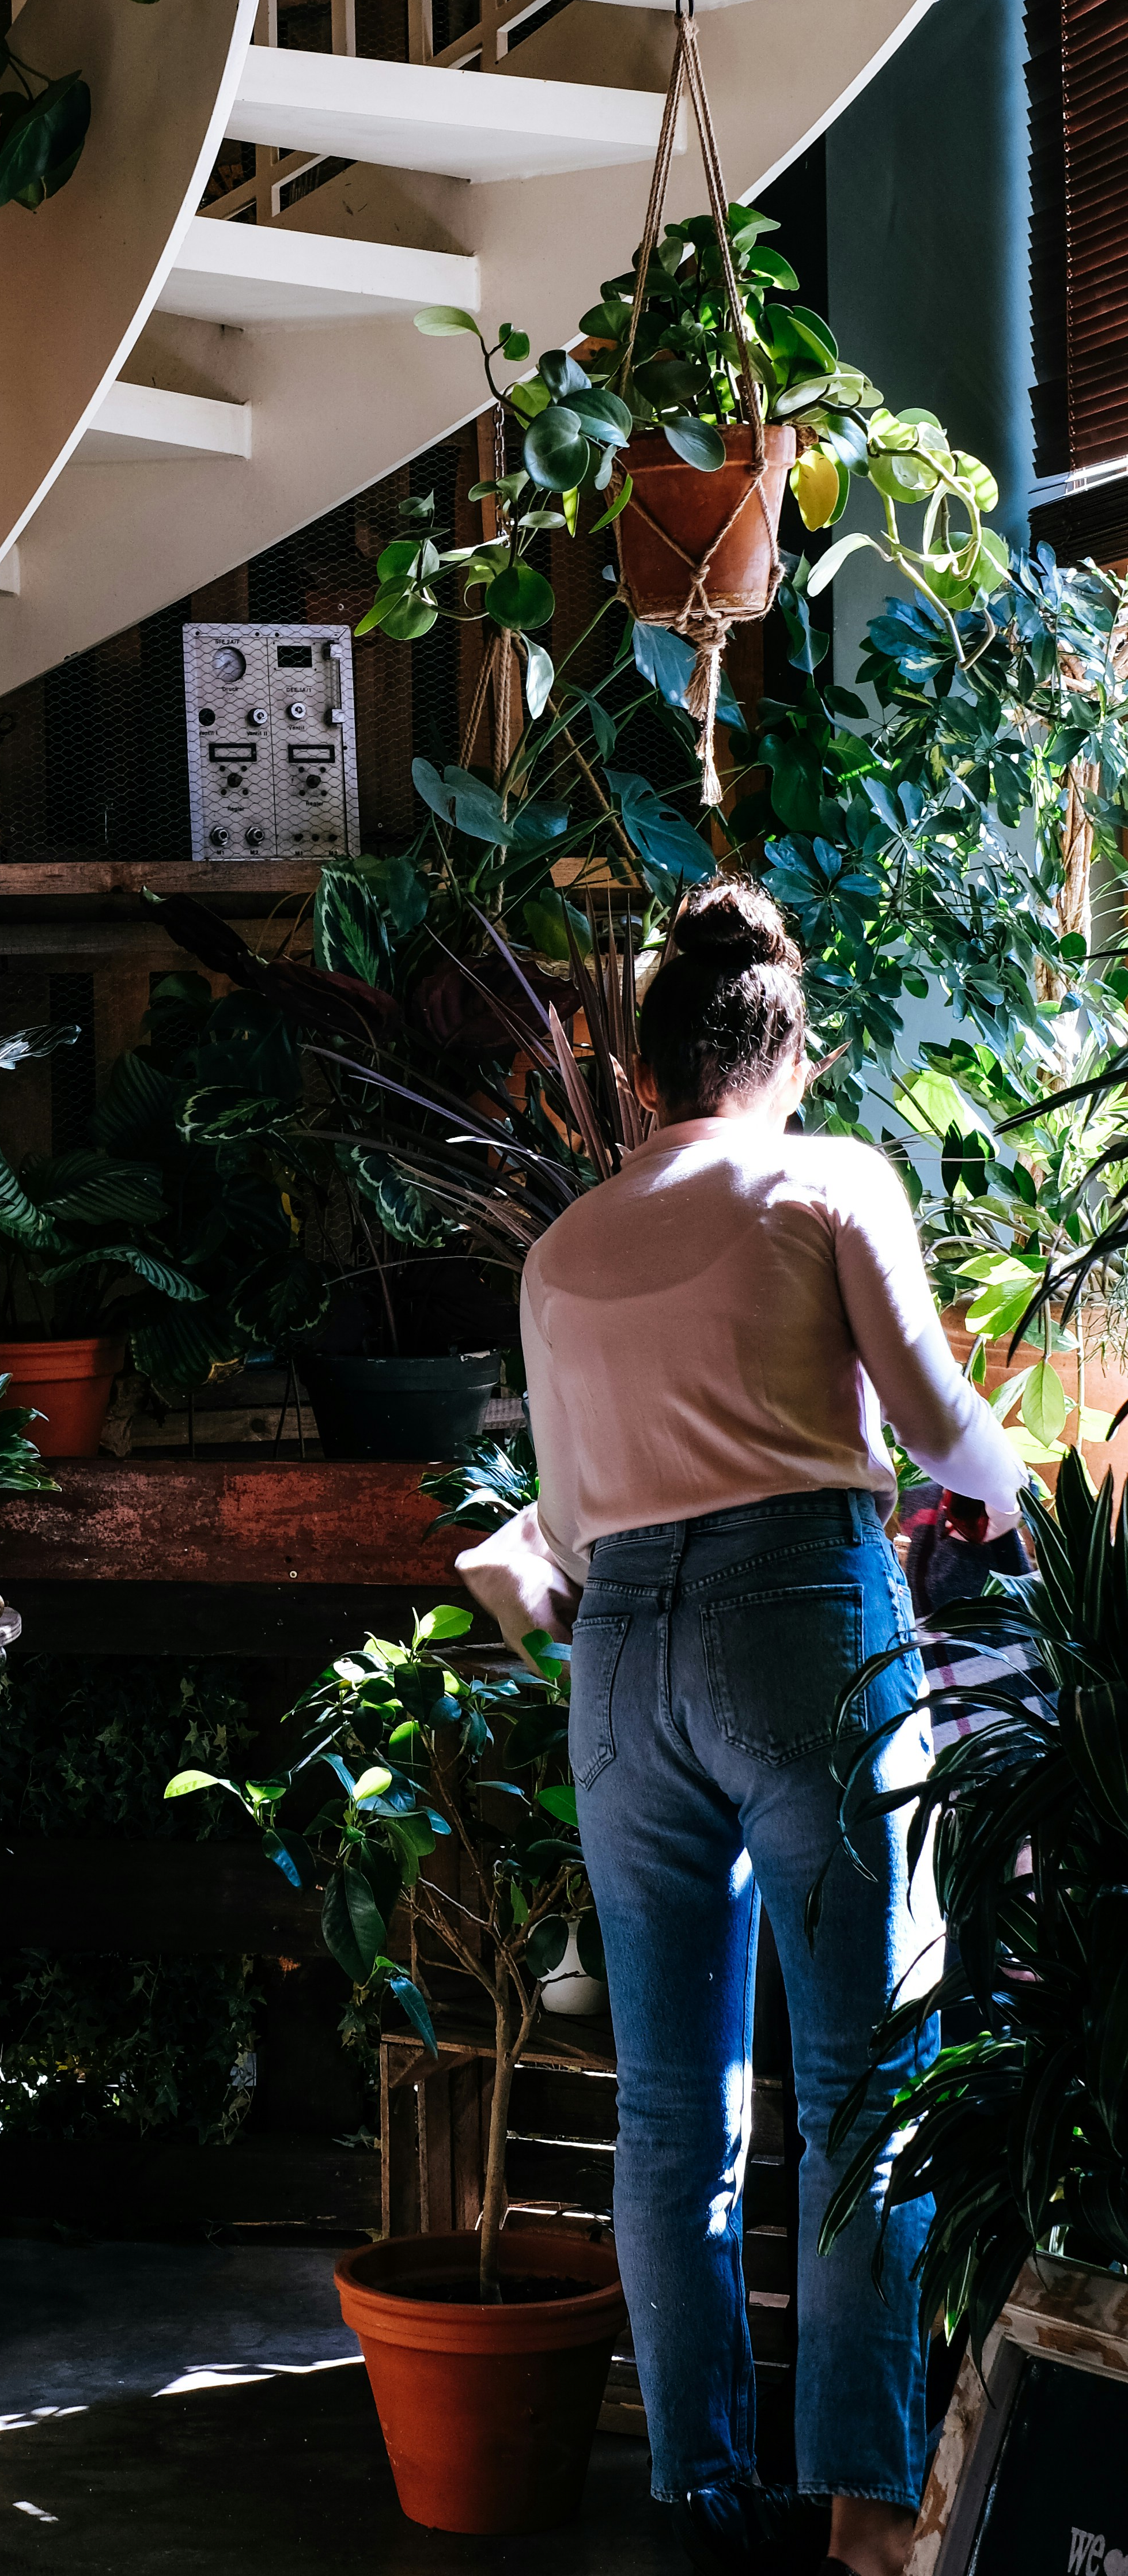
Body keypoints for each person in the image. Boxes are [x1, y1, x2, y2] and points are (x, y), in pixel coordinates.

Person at [513, 879, 1024, 2576]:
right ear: (787, 1053)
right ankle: (870, 2510)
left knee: (667, 2107)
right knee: (867, 2089)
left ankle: (700, 2492)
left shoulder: (563, 1249)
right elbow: (945, 1431)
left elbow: (571, 1524)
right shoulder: (828, 1179)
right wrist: (1032, 1493)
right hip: (799, 1620)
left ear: (649, 1066)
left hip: (621, 1663)